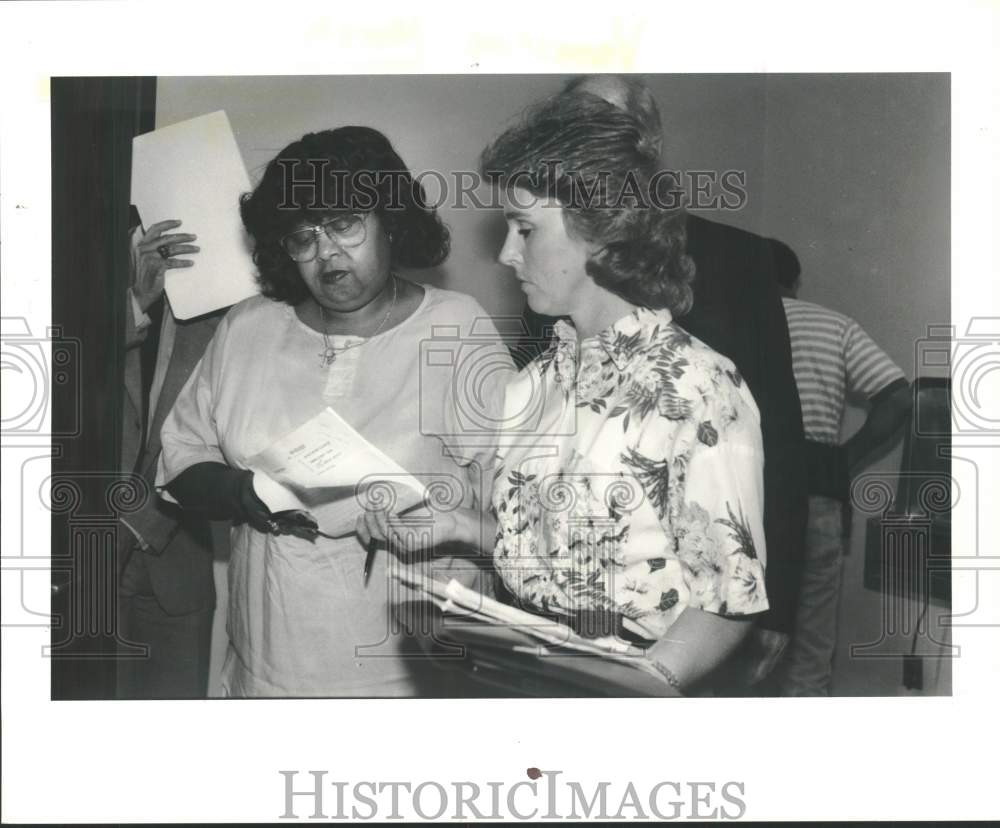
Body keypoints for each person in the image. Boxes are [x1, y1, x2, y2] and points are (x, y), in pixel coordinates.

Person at [362, 93, 770, 695]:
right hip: (525, 676)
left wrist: (639, 687)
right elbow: (552, 556)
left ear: (601, 231)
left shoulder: (698, 386)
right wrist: (459, 525)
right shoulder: (536, 381)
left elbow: (726, 600)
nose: (506, 253)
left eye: (525, 229)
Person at [156, 126, 512, 697]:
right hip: (269, 666)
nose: (325, 253)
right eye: (303, 236)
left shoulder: (456, 328)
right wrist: (240, 493)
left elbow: (518, 513)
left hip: (412, 672)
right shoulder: (248, 328)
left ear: (390, 220)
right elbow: (181, 455)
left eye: (344, 224)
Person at [517, 76, 808, 675]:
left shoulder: (738, 258)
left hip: (685, 622)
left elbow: (778, 433)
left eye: (605, 125)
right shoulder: (551, 269)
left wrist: (775, 610)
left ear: (646, 145)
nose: (586, 141)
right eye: (572, 125)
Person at [771, 238, 912, 695]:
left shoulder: (727, 321)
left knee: (739, 635)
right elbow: (898, 397)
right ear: (794, 282)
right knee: (811, 643)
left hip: (746, 484)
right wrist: (843, 461)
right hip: (816, 482)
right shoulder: (833, 324)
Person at [118, 211, 221, 699]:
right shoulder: (71, 266)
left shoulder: (230, 302)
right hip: (86, 559)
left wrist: (139, 524)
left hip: (178, 560)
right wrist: (135, 303)